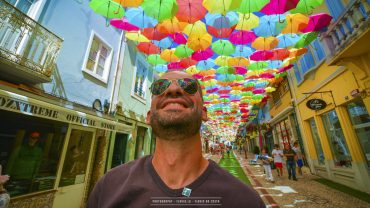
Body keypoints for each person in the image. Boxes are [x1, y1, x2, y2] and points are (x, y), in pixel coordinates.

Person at [88, 71, 265, 207]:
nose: (173, 89)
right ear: (148, 116)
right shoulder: (108, 187)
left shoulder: (245, 200)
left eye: (188, 86)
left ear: (204, 113)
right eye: (160, 87)